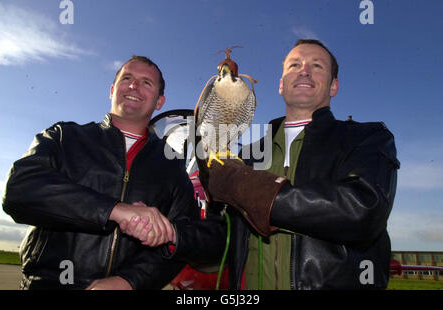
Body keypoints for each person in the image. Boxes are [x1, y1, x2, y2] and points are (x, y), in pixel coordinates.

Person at [123, 39, 400, 290]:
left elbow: (363, 212)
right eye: (294, 65)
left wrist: (244, 186)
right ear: (281, 84)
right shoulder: (250, 156)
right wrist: (173, 234)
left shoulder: (367, 138)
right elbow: (224, 238)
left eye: (316, 66)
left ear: (334, 86)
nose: (304, 71)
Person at [2, 55, 202, 289]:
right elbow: (19, 189)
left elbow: (184, 240)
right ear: (112, 90)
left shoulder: (172, 166)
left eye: (146, 82)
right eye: (127, 78)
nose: (134, 85)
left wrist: (129, 281)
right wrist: (114, 210)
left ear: (160, 101)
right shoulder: (64, 136)